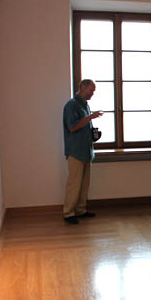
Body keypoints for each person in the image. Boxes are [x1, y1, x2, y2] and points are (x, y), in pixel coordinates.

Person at [62, 78, 102, 224]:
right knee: (74, 184)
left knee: (84, 185)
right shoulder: (71, 105)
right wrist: (90, 117)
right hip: (75, 151)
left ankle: (80, 210)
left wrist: (93, 134)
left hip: (86, 151)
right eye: (91, 90)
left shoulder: (85, 105)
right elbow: (72, 127)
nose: (92, 93)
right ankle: (68, 213)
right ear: (83, 88)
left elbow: (84, 126)